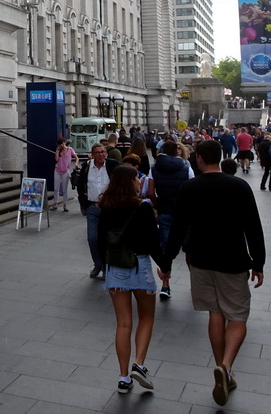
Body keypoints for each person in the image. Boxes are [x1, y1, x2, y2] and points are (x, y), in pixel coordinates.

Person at [159, 140, 266, 407]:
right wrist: (259, 262)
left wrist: (167, 262)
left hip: (202, 260)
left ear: (199, 160)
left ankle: (223, 369)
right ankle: (227, 366)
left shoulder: (189, 187)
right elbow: (253, 226)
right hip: (233, 259)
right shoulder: (239, 186)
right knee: (238, 316)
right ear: (219, 158)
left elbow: (178, 229)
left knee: (215, 313)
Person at [97, 165, 169, 395]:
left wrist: (105, 264)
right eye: (136, 179)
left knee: (123, 324)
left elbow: (100, 241)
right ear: (130, 182)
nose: (140, 182)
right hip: (141, 266)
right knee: (146, 317)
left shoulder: (105, 208)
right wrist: (165, 267)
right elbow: (153, 243)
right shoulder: (143, 208)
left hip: (116, 268)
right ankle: (139, 363)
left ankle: (123, 376)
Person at [149, 140, 193, 300]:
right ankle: (194, 283)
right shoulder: (186, 167)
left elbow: (150, 191)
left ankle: (165, 285)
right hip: (184, 214)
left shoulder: (154, 169)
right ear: (176, 152)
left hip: (165, 211)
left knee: (166, 251)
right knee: (189, 249)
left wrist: (157, 205)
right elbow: (191, 190)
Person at [77, 143, 116, 278]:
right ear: (92, 155)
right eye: (97, 152)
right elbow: (80, 185)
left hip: (108, 208)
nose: (101, 154)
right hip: (92, 207)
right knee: (92, 238)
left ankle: (106, 266)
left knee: (106, 239)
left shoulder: (112, 165)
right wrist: (84, 203)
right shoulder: (87, 167)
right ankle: (97, 263)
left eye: (103, 152)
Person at [51, 138, 78, 211]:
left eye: (63, 143)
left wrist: (76, 163)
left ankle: (65, 205)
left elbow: (76, 157)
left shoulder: (70, 149)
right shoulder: (58, 150)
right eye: (60, 144)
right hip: (57, 170)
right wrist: (57, 151)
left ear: (65, 143)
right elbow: (56, 159)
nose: (62, 145)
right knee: (56, 188)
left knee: (64, 189)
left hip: (66, 171)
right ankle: (55, 203)